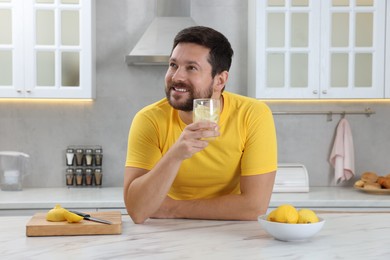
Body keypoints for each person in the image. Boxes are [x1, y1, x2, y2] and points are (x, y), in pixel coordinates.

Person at [124, 26, 277, 224]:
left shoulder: (252, 115)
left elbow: (254, 206)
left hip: (232, 232)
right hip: (167, 234)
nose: (177, 76)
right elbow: (137, 210)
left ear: (219, 80)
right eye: (173, 65)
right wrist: (175, 155)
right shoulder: (149, 119)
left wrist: (171, 209)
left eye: (191, 68)